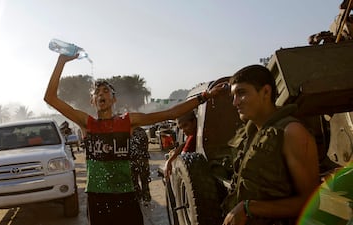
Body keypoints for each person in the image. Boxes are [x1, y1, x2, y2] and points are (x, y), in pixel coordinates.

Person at [44, 54, 228, 225]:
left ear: (114, 99)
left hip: (126, 194)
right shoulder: (87, 123)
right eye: (97, 92)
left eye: (106, 91)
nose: (101, 94)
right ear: (92, 101)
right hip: (97, 197)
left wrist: (205, 96)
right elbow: (50, 98)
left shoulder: (127, 121)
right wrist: (61, 61)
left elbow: (170, 113)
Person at [221, 65, 320, 225]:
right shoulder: (251, 132)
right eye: (233, 96)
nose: (235, 102)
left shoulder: (292, 132)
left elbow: (311, 201)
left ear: (266, 92)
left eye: (242, 93)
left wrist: (249, 208)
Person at [163, 110, 197, 179]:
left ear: (194, 121)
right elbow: (183, 145)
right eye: (181, 128)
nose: (184, 130)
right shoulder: (193, 134)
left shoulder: (193, 137)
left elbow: (182, 157)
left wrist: (169, 161)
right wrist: (170, 160)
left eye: (185, 125)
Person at [129, 126, 151, 205]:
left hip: (133, 160)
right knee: (144, 180)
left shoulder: (129, 132)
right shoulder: (142, 131)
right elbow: (146, 146)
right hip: (143, 159)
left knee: (134, 180)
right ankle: (146, 198)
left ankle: (139, 197)